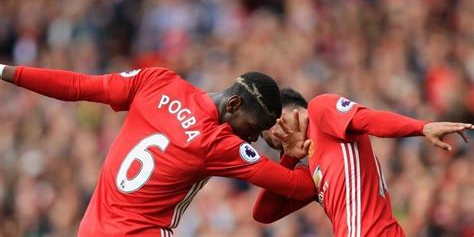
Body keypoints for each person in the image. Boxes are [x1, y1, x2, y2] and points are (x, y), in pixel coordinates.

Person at [0, 64, 315, 237]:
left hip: (91, 230)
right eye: (254, 128)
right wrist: (292, 154)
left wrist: (7, 72)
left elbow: (78, 86)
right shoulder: (216, 143)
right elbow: (299, 186)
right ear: (233, 105)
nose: (254, 140)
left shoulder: (157, 81)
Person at [254, 88, 473, 237]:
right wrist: (290, 157)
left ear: (285, 112)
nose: (282, 144)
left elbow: (369, 120)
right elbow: (264, 213)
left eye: (277, 134)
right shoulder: (312, 172)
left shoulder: (319, 109)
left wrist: (422, 127)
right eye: (277, 146)